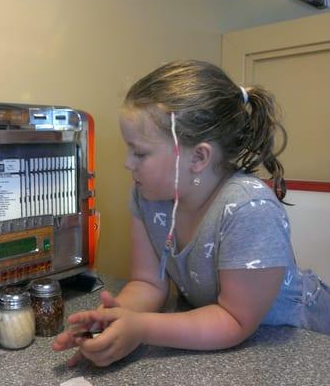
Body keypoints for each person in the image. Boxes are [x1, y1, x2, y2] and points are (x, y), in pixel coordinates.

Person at [52, 60, 330, 367]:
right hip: (221, 339)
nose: (127, 163)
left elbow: (235, 320)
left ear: (198, 156)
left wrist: (142, 329)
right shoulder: (148, 196)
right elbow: (148, 283)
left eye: (139, 152)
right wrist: (115, 320)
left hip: (301, 339)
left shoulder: (250, 209)